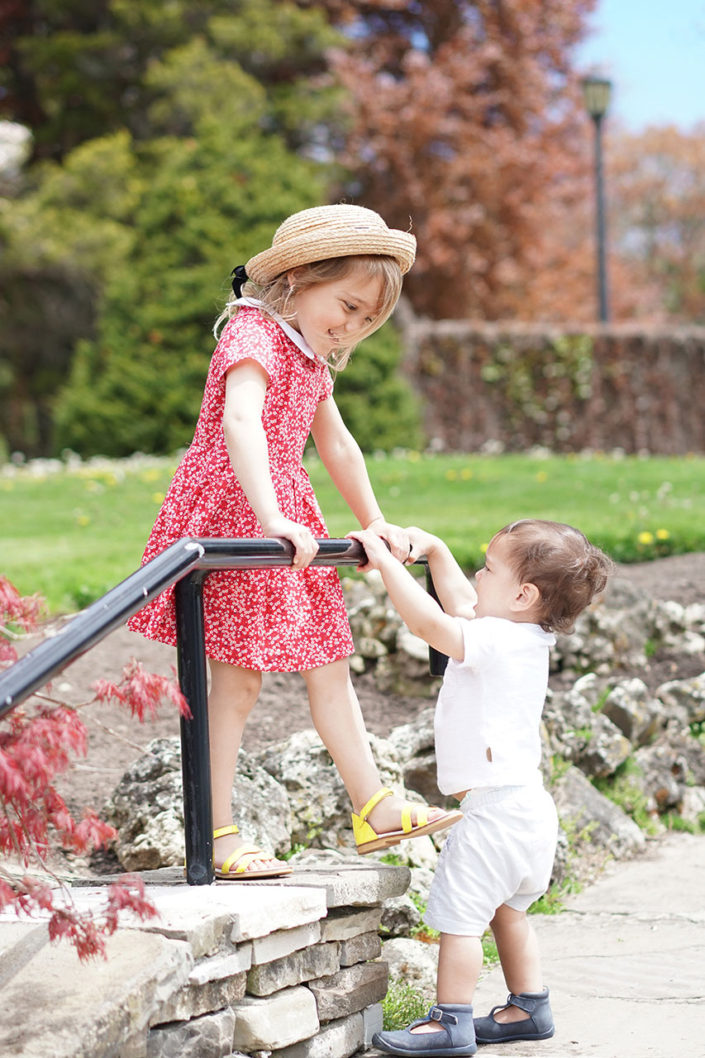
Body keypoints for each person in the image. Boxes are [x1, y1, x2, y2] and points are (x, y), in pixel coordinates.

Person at [128, 204, 462, 880]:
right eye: (346, 304)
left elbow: (335, 443)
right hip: (237, 506)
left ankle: (374, 805)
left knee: (328, 659)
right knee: (238, 681)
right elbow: (240, 421)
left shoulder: (308, 354)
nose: (352, 325)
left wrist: (373, 522)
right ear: (301, 276)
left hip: (286, 509)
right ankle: (216, 834)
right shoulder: (251, 332)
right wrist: (269, 514)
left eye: (367, 319)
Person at [348, 519, 612, 1055]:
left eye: (487, 569)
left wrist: (390, 565)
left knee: (461, 918)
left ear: (523, 594)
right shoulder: (524, 634)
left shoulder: (493, 639)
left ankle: (451, 1021)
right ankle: (528, 1007)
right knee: (508, 913)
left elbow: (429, 623)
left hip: (492, 815)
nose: (475, 575)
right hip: (528, 810)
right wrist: (437, 552)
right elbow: (465, 605)